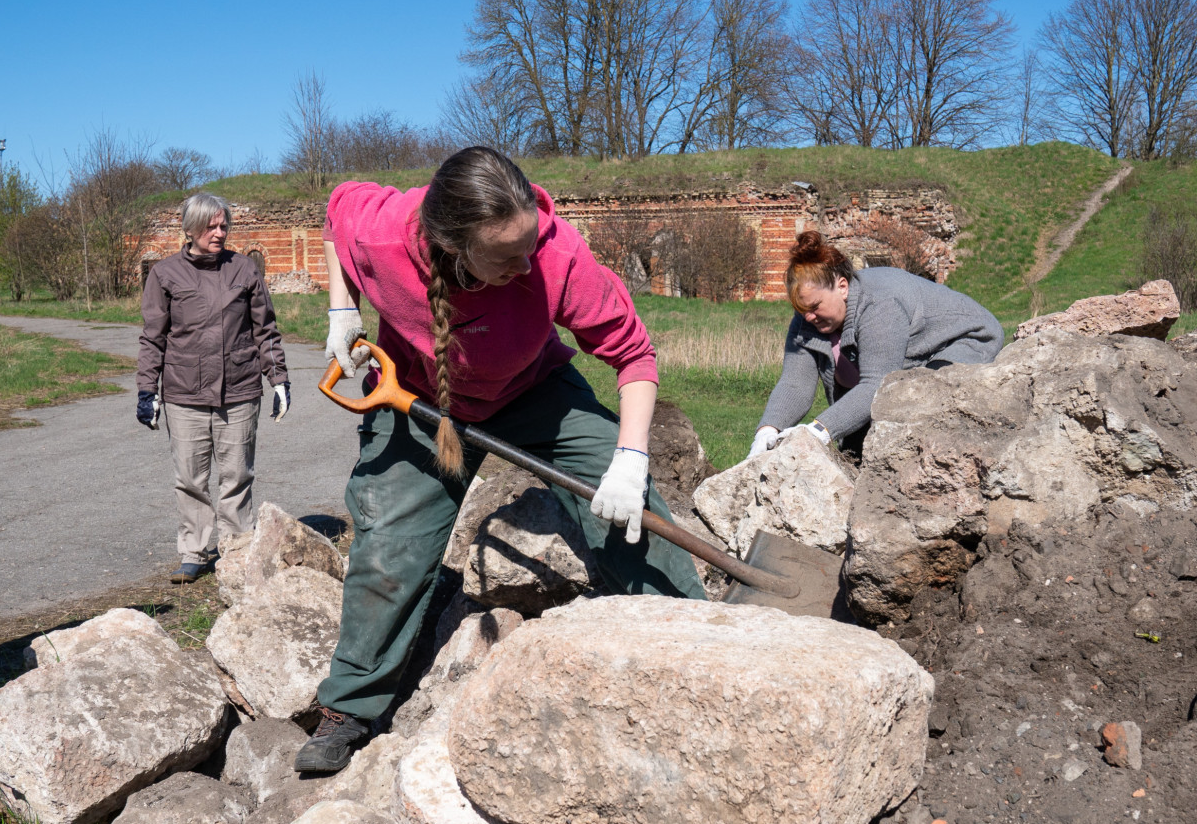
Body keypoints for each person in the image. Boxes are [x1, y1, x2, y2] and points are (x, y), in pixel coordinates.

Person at [295, 146, 707, 774]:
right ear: (453, 246)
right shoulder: (383, 235)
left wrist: (628, 459)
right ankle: (349, 706)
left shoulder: (556, 254)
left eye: (530, 243)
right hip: (419, 399)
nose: (527, 263)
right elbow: (336, 211)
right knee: (389, 546)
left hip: (534, 392)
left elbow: (633, 355)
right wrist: (341, 307)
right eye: (507, 255)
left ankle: (700, 642)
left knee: (629, 509)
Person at [138, 192, 290, 584]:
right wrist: (147, 390)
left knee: (237, 475)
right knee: (190, 478)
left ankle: (237, 551)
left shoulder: (244, 269)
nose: (219, 233)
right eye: (211, 226)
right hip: (184, 392)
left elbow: (265, 330)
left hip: (239, 390)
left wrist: (279, 379)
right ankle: (194, 552)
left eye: (224, 226)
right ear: (190, 229)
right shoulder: (165, 274)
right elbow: (153, 338)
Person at [747, 230, 1003, 461]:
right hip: (902, 364)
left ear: (842, 287)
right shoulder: (807, 319)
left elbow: (876, 385)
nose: (808, 317)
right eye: (801, 310)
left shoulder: (880, 304)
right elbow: (795, 383)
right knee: (854, 452)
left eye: (815, 307)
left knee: (919, 412)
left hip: (965, 341)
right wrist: (768, 429)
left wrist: (819, 430)